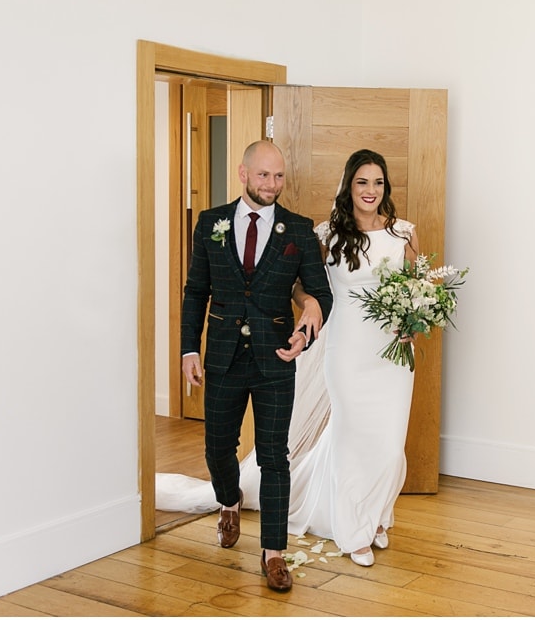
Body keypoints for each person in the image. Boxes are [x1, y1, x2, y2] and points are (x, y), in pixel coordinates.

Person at [180, 140, 333, 592]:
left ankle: (274, 553)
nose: (273, 185)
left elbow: (320, 295)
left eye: (279, 176)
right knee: (216, 450)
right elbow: (195, 292)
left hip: (276, 359)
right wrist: (190, 348)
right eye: (264, 175)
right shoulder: (210, 224)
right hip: (223, 358)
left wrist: (305, 332)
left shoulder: (300, 231)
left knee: (274, 458)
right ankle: (229, 501)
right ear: (243, 174)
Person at [289, 148, 420, 567]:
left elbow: (420, 287)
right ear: (349, 185)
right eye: (362, 181)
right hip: (345, 351)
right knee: (352, 437)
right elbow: (299, 287)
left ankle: (377, 514)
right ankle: (353, 530)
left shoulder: (403, 234)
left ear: (386, 187)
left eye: (378, 182)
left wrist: (413, 321)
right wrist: (309, 307)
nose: (371, 190)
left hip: (394, 355)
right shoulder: (326, 235)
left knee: (388, 441)